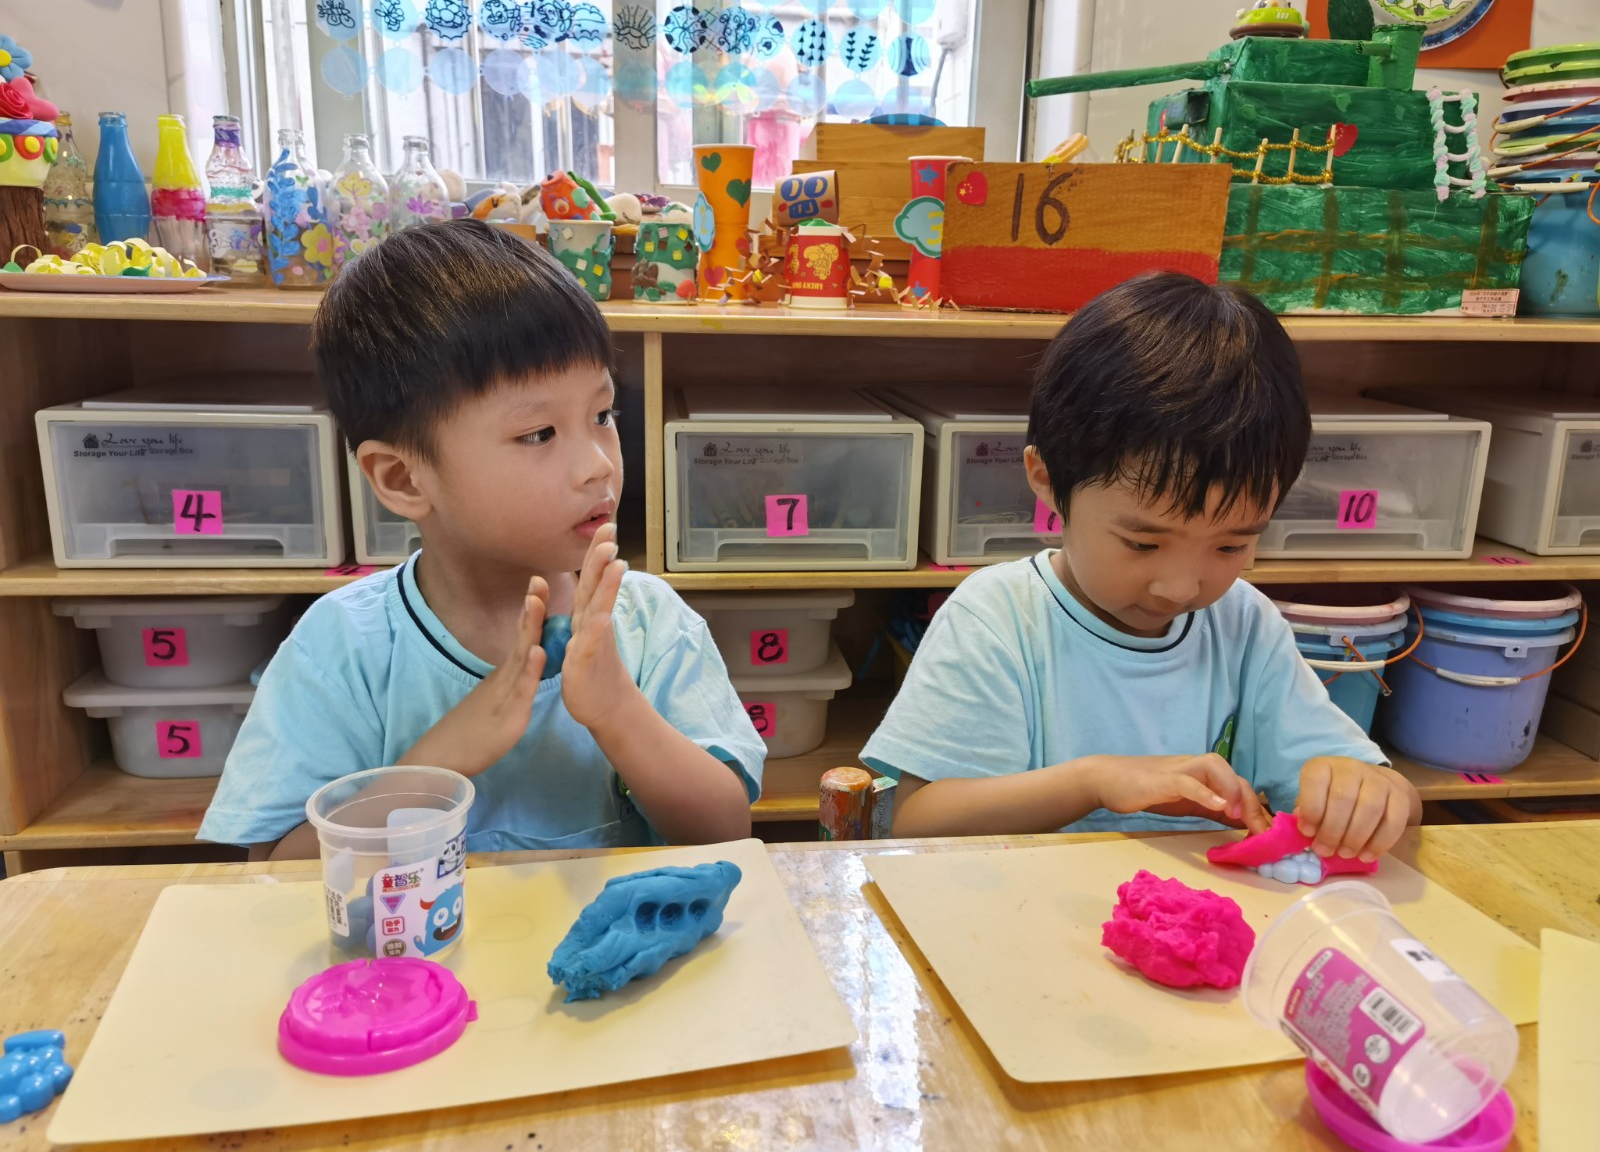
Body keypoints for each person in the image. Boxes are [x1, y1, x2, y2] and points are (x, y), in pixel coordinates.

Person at [198, 220, 762, 856]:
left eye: (602, 415)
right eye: (538, 434)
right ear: (403, 478)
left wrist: (617, 712)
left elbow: (725, 830)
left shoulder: (650, 624)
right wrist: (437, 764)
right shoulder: (342, 648)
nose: (599, 464)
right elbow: (273, 868)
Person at [861, 272, 1419, 860]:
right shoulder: (998, 618)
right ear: (1047, 478)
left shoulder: (1244, 625)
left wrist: (1370, 792)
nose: (1179, 587)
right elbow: (916, 819)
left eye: (1230, 547)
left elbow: (1393, 797)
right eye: (1143, 544)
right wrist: (1094, 781)